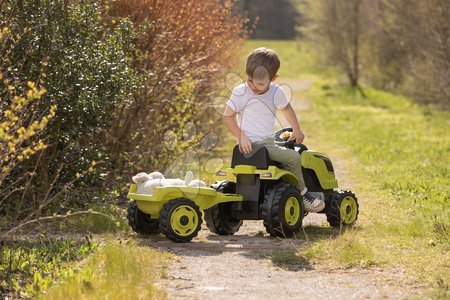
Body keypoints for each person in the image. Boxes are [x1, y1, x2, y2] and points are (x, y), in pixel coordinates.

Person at [223, 47, 325, 212]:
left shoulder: (276, 92)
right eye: (250, 80)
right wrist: (241, 135)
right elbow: (228, 116)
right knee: (293, 157)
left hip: (267, 144)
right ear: (245, 74)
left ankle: (282, 189)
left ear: (274, 78)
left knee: (280, 150)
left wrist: (297, 130)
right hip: (251, 145)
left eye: (260, 83)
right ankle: (303, 193)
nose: (254, 87)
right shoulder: (241, 92)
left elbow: (286, 109)